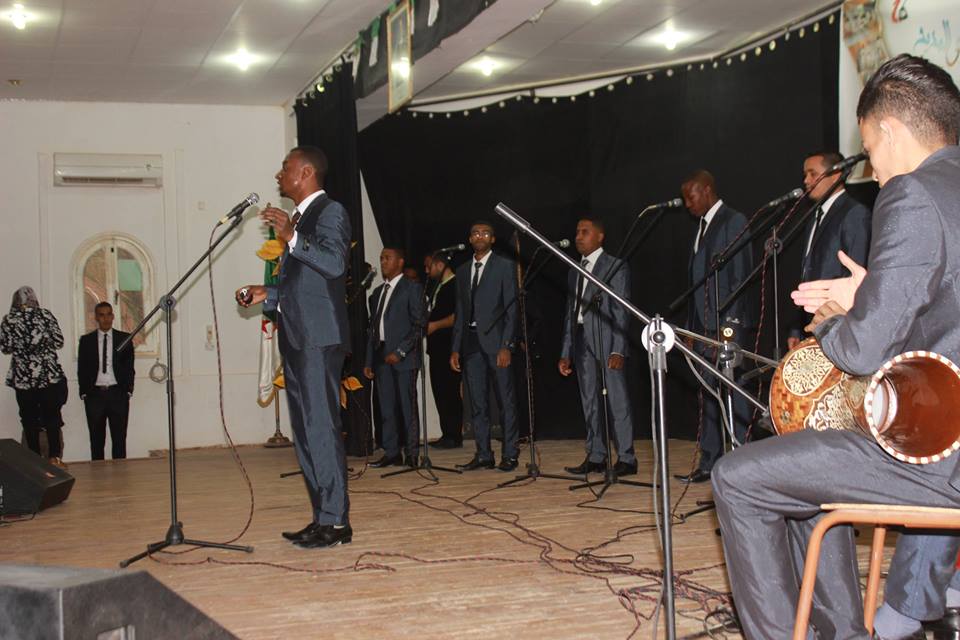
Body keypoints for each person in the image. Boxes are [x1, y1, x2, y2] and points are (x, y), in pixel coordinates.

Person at [713, 54, 960, 639]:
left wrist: (834, 319)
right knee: (800, 465)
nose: (873, 170)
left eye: (870, 150)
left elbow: (862, 351)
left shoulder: (911, 193)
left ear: (890, 131)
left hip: (938, 456)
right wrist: (872, 292)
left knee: (737, 478)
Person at [236, 145, 352, 549]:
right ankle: (322, 517)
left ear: (305, 173)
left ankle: (337, 522)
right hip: (298, 336)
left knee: (321, 428)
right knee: (304, 432)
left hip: (318, 338)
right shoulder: (301, 218)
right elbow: (303, 285)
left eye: (285, 168)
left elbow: (334, 265)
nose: (278, 174)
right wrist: (266, 293)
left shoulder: (330, 211)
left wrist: (290, 235)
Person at [677, 170, 754, 484]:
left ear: (707, 189)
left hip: (725, 328)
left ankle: (743, 464)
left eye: (691, 196)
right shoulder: (702, 227)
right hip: (703, 329)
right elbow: (697, 284)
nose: (687, 204)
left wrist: (729, 328)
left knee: (734, 392)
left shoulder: (733, 221)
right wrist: (692, 330)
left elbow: (740, 277)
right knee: (708, 393)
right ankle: (710, 462)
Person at [558, 217, 636, 476]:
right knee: (589, 400)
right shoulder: (574, 270)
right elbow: (570, 313)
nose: (578, 237)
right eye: (577, 232)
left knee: (617, 400)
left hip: (607, 338)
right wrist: (566, 352)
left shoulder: (615, 265)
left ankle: (626, 458)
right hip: (581, 338)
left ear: (600, 236)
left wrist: (618, 349)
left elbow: (622, 310)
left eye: (585, 232)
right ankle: (596, 455)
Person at [449, 221, 519, 471]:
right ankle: (483, 454)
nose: (480, 236)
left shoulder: (505, 266)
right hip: (470, 344)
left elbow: (512, 309)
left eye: (485, 233)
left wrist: (506, 345)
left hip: (497, 343)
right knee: (477, 403)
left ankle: (510, 454)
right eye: (476, 233)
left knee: (505, 401)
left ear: (493, 239)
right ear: (470, 239)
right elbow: (460, 312)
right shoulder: (462, 271)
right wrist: (455, 348)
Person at [786, 151, 872, 350]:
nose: (806, 181)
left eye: (813, 174)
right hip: (812, 322)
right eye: (805, 175)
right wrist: (797, 328)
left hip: (837, 324)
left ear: (835, 175)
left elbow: (855, 274)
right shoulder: (814, 215)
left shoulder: (854, 213)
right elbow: (807, 273)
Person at [363, 247, 424, 468]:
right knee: (386, 408)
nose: (383, 262)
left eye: (387, 258)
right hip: (381, 358)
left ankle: (412, 453)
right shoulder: (378, 292)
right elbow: (373, 329)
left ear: (400, 262)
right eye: (381, 258)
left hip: (403, 358)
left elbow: (419, 325)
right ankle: (391, 452)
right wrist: (369, 360)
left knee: (407, 407)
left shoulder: (412, 288)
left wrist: (400, 351)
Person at [0, 286, 68, 468]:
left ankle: (34, 460)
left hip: (23, 379)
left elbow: (5, 347)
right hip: (47, 376)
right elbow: (59, 341)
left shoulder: (9, 319)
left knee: (28, 420)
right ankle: (55, 458)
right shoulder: (45, 315)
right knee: (52, 417)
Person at [77, 302, 135, 460]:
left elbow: (129, 367)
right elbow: (82, 368)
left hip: (118, 394)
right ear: (96, 317)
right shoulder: (86, 341)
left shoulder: (124, 339)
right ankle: (98, 472)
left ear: (113, 316)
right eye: (101, 315)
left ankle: (120, 472)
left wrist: (128, 390)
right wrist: (84, 392)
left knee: (119, 439)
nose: (106, 319)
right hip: (94, 396)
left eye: (109, 314)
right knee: (96, 440)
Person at [425, 252, 463, 449]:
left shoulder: (455, 285)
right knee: (439, 390)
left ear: (440, 265)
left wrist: (435, 325)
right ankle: (446, 432)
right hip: (436, 348)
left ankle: (454, 434)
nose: (427, 271)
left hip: (449, 346)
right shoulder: (436, 287)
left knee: (449, 391)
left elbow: (458, 316)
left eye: (429, 266)